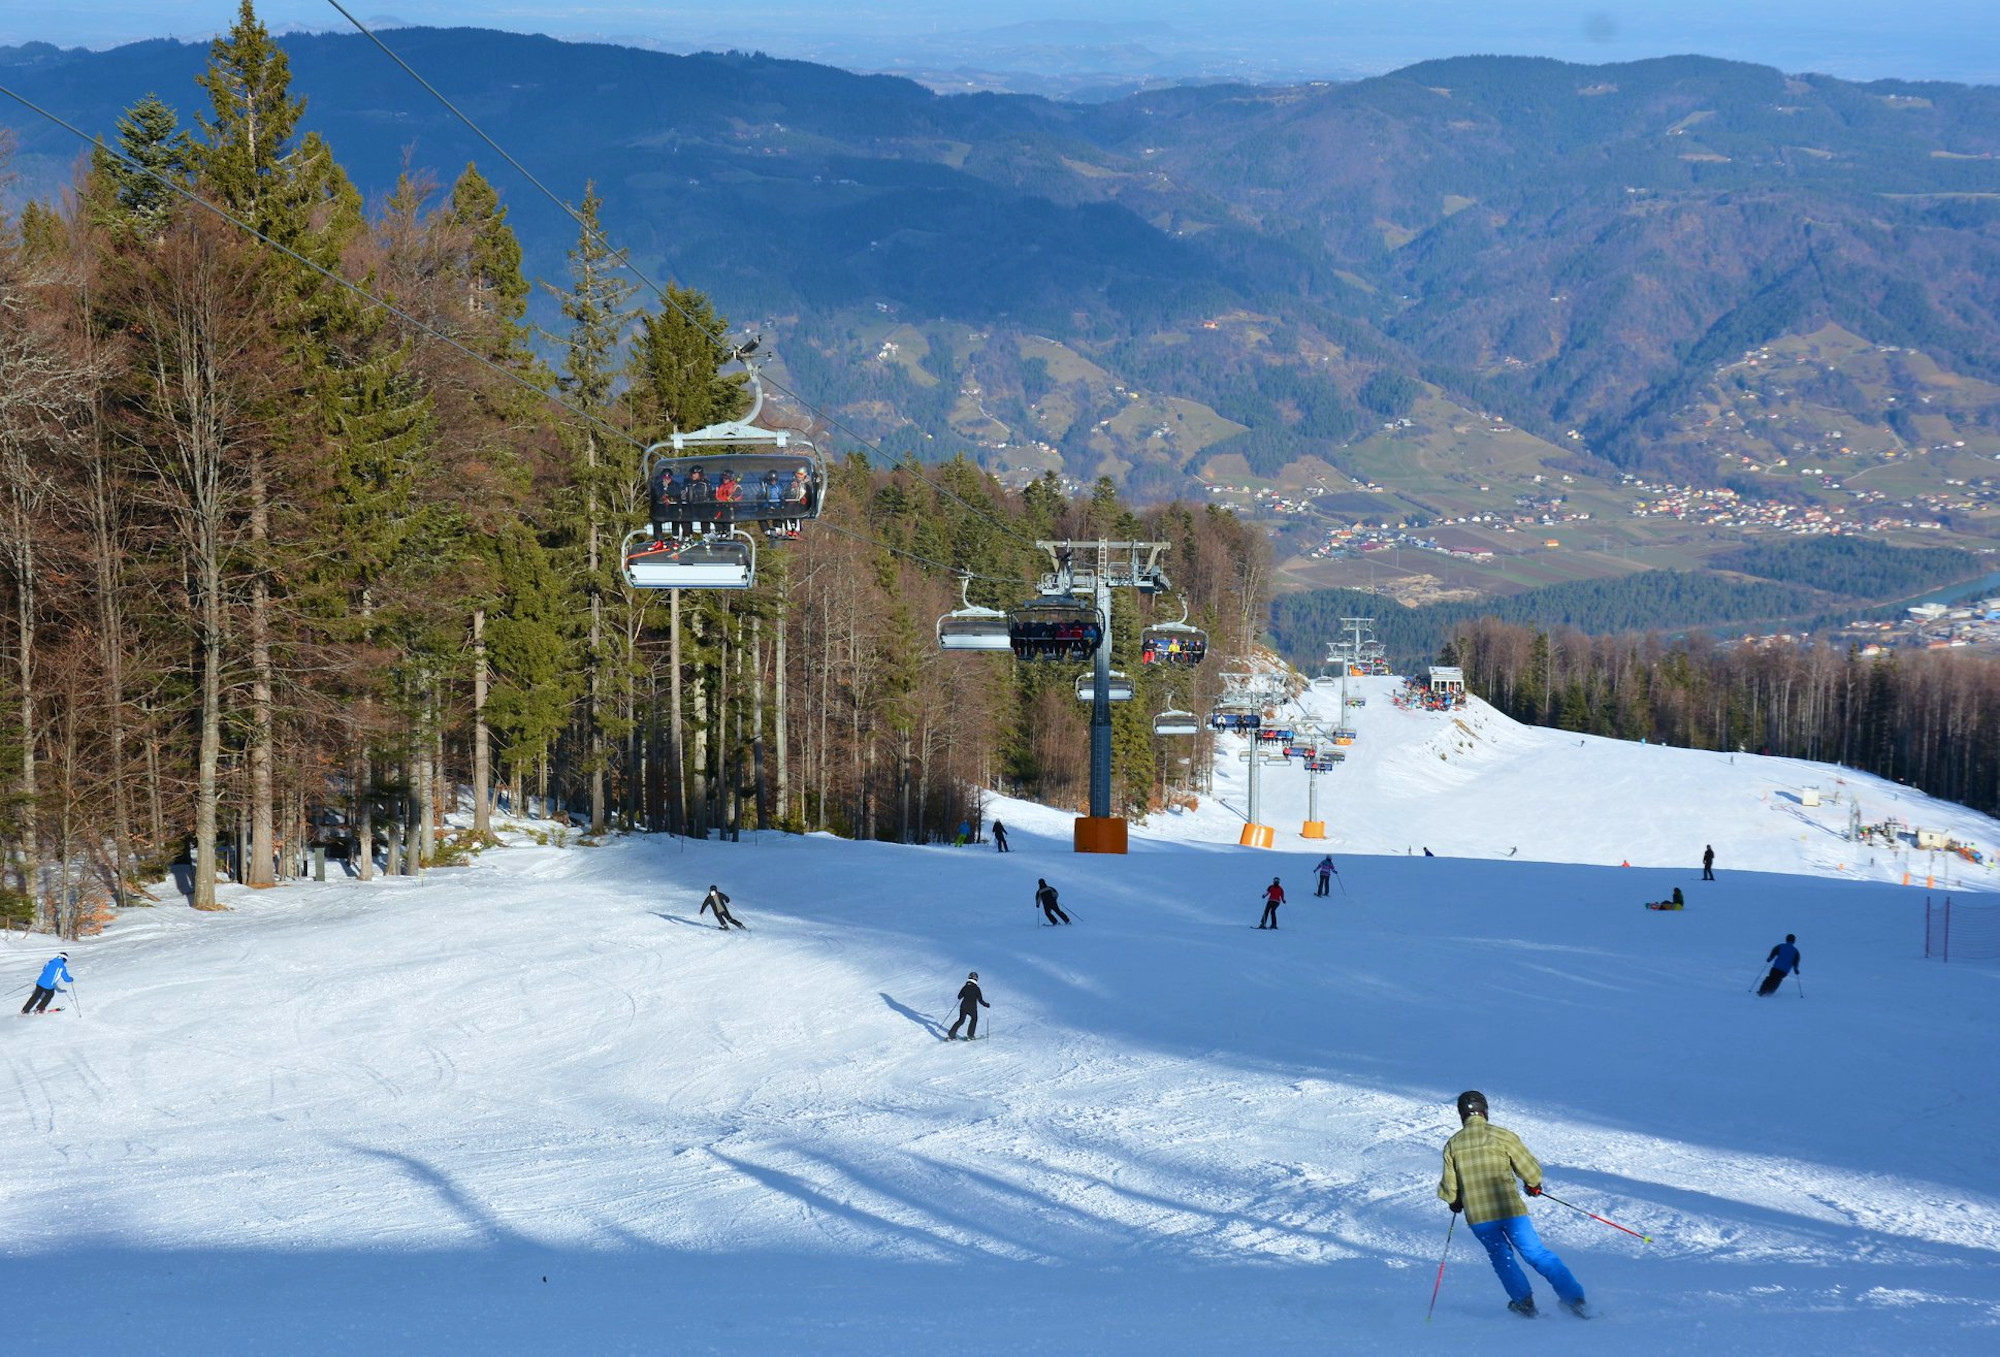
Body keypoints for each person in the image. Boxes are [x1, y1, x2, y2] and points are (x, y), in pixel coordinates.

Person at [1438, 1090, 1588, 1319]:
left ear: (1461, 1114)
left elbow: (1450, 1188)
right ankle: (1574, 1300)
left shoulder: (1453, 1144)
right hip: (1511, 1212)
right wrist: (1533, 1185)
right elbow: (1530, 1170)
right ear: (1484, 1110)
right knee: (1536, 1253)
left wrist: (1455, 1201)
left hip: (1480, 1218)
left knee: (1501, 1257)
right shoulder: (1502, 1136)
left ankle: (1524, 1303)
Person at [947, 971, 989, 1039]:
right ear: (976, 979)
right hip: (972, 1008)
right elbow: (980, 1000)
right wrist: (986, 1005)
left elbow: (959, 997)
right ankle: (970, 1035)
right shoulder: (976, 989)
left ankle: (951, 1034)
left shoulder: (965, 987)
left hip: (963, 1007)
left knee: (961, 1020)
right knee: (974, 1019)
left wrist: (964, 994)